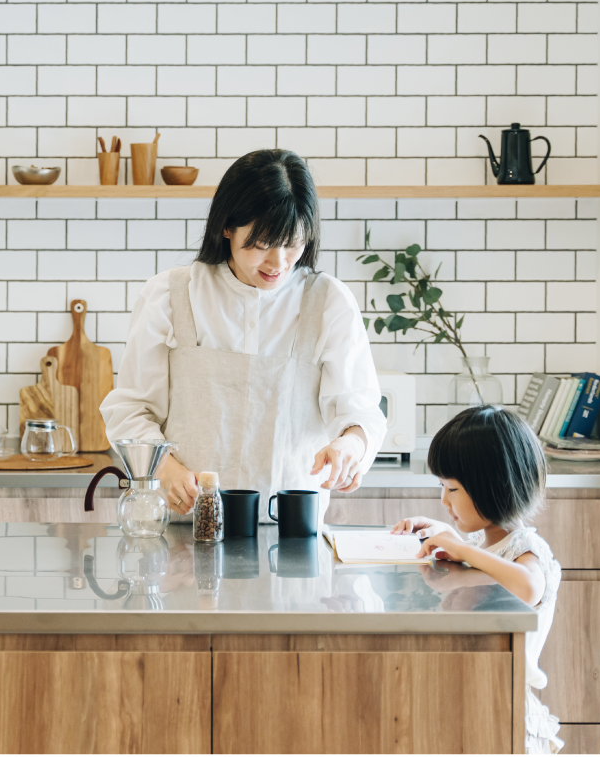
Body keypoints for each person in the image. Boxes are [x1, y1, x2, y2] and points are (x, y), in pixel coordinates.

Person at [101, 149, 386, 522]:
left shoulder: (329, 302)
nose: (278, 263)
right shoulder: (171, 295)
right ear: (227, 227)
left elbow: (359, 409)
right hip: (186, 532)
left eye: (292, 244)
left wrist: (351, 445)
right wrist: (163, 469)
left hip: (288, 534)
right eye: (261, 245)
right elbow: (130, 409)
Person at [391, 405, 563, 755]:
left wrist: (463, 549)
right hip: (475, 699)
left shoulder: (526, 546)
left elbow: (528, 587)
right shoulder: (484, 541)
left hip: (506, 708)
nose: (443, 499)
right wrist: (446, 535)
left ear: (493, 486)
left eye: (452, 489)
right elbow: (482, 560)